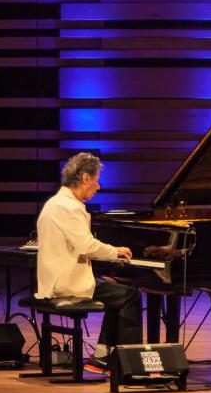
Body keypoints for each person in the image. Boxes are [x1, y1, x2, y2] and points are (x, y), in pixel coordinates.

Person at [35, 152, 141, 374]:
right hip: (67, 285)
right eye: (96, 180)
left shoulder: (53, 203)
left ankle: (103, 357)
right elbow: (87, 246)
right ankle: (128, 365)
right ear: (85, 178)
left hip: (52, 281)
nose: (98, 187)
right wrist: (115, 252)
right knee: (130, 295)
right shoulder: (70, 207)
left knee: (117, 292)